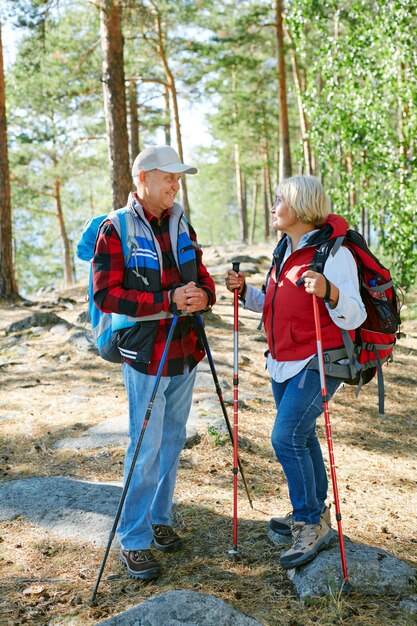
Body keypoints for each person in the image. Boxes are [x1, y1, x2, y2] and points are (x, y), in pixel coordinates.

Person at [225, 175, 366, 569]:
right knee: (301, 436)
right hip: (283, 359)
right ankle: (315, 513)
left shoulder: (333, 254)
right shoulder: (284, 249)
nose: (273, 207)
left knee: (285, 437)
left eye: (279, 200)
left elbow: (355, 314)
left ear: (301, 208)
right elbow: (274, 305)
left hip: (319, 360)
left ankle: (307, 522)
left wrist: (330, 292)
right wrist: (246, 293)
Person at [93, 145, 216, 580]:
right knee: (144, 447)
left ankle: (160, 519)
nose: (176, 185)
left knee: (172, 441)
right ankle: (134, 539)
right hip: (146, 355)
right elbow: (105, 296)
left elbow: (202, 276)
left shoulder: (180, 221)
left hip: (186, 349)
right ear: (144, 178)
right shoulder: (117, 228)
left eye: (179, 178)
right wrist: (167, 301)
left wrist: (204, 295)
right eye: (170, 177)